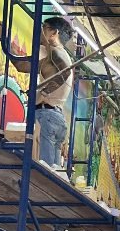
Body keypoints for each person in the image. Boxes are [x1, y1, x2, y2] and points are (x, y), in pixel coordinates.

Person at [7, 15, 75, 171]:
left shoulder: (55, 54)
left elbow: (63, 72)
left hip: (47, 116)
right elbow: (21, 65)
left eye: (44, 27)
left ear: (54, 33)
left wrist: (43, 92)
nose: (39, 31)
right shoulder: (57, 57)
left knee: (44, 171)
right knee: (53, 171)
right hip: (56, 118)